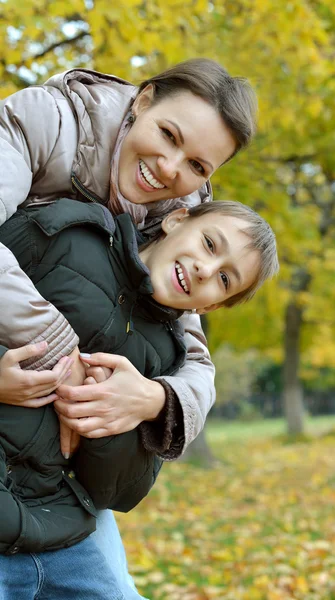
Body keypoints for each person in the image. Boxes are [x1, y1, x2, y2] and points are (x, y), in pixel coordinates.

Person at [0, 58, 257, 597]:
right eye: (167, 134)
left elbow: (197, 365)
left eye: (197, 165)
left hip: (51, 475)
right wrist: (60, 355)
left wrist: (153, 399)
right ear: (142, 99)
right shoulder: (48, 121)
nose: (168, 169)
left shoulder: (181, 221)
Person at [0, 197, 279, 599]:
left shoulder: (169, 357)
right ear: (177, 219)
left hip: (57, 527)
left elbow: (121, 491)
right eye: (210, 245)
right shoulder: (68, 235)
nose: (206, 269)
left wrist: (113, 418)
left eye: (224, 280)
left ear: (211, 306)